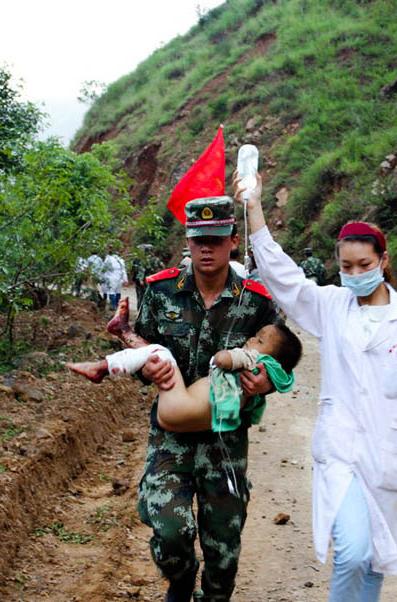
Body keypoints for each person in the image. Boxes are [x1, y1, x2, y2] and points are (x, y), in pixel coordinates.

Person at [235, 173, 397, 601]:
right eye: (346, 267)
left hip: (390, 455)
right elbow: (283, 277)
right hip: (342, 452)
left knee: (378, 558)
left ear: (383, 260)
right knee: (353, 552)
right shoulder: (331, 306)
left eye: (364, 265)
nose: (355, 274)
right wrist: (254, 209)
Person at [132, 196, 281, 602]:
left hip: (225, 440)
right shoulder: (161, 291)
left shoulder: (257, 300)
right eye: (199, 240)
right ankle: (180, 582)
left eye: (216, 239)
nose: (207, 248)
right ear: (188, 240)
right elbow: (143, 346)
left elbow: (282, 359)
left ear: (233, 240)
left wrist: (265, 381)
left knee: (224, 551)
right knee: (170, 534)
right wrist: (145, 366)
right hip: (172, 434)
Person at [65, 312, 301, 432]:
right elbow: (284, 374)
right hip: (181, 422)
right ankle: (124, 331)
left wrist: (233, 358)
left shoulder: (251, 357)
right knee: (156, 355)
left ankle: (102, 367)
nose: (250, 339)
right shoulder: (165, 287)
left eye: (258, 340)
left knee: (161, 352)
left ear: (232, 242)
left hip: (177, 406)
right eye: (201, 239)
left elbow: (223, 359)